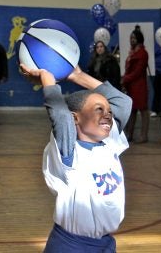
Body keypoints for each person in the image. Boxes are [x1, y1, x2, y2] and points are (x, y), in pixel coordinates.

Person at [19, 63, 132, 252]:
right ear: (75, 118)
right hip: (71, 245)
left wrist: (78, 76)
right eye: (98, 109)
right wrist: (47, 79)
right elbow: (60, 116)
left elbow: (123, 101)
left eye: (109, 111)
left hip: (105, 244)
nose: (107, 115)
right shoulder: (70, 151)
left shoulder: (109, 143)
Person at [122, 25, 150, 143]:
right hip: (131, 85)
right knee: (132, 110)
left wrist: (125, 78)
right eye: (131, 38)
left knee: (143, 110)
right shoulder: (132, 52)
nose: (131, 40)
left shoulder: (143, 53)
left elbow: (138, 71)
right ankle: (130, 134)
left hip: (139, 85)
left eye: (134, 38)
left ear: (139, 39)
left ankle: (144, 136)